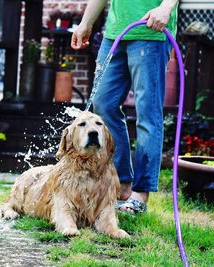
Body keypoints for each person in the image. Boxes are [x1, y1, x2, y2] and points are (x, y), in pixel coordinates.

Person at [71, 0, 178, 215]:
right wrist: (85, 22)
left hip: (150, 29)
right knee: (103, 104)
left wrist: (165, 8)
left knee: (147, 114)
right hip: (114, 33)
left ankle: (140, 194)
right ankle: (122, 185)